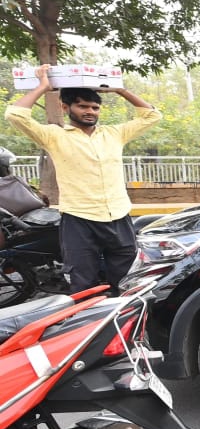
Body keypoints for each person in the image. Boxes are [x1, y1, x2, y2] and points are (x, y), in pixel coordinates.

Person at [5, 64, 161, 294]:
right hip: (79, 219)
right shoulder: (54, 135)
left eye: (95, 107)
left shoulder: (114, 134)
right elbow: (14, 114)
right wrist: (43, 86)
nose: (90, 111)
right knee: (82, 282)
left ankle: (123, 326)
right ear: (65, 106)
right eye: (83, 106)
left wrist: (119, 90)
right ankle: (87, 325)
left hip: (118, 216)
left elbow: (152, 115)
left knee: (127, 280)